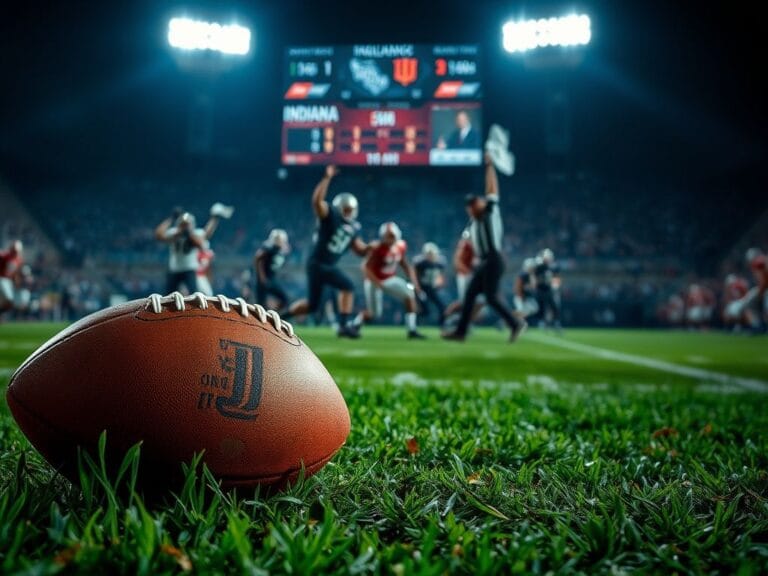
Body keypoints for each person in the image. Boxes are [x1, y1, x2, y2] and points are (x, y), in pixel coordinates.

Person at [442, 154, 526, 342]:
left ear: (480, 202)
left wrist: (490, 166)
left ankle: (514, 323)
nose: (473, 207)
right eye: (470, 206)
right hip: (485, 261)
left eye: (475, 203)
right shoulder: (473, 222)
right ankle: (462, 332)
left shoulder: (490, 212)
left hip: (493, 259)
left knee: (489, 297)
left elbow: (492, 189)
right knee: (471, 295)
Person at [286, 165, 368, 338]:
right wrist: (326, 178)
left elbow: (360, 250)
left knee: (312, 306)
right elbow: (317, 202)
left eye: (350, 210)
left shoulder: (354, 228)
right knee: (348, 286)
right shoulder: (331, 215)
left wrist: (375, 247)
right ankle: (344, 326)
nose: (349, 212)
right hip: (318, 263)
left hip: (321, 265)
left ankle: (280, 317)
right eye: (347, 209)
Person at [356, 222, 425, 339]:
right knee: (374, 313)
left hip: (389, 278)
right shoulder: (377, 248)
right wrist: (377, 283)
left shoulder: (401, 245)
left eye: (392, 236)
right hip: (374, 280)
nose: (390, 239)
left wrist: (414, 282)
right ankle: (355, 324)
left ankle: (412, 329)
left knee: (409, 293)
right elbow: (365, 267)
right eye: (388, 236)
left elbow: (405, 264)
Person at [155, 212, 206, 294]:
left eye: (187, 224)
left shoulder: (196, 233)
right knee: (168, 296)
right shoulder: (174, 232)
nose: (185, 227)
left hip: (189, 268)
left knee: (194, 294)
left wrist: (189, 234)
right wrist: (171, 219)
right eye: (183, 224)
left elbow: (201, 245)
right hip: (175, 269)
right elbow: (159, 235)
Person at [254, 228, 291, 311]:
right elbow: (258, 258)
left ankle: (274, 313)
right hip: (264, 279)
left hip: (271, 278)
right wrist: (262, 277)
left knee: (284, 299)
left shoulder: (280, 249)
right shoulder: (269, 247)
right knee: (260, 305)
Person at [414, 242, 447, 326]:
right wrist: (417, 288)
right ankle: (414, 322)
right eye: (429, 254)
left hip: (432, 288)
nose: (430, 256)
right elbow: (415, 276)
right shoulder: (421, 263)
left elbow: (441, 277)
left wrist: (440, 283)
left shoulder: (439, 263)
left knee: (442, 307)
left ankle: (442, 325)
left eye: (432, 254)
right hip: (421, 288)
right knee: (425, 310)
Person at [534, 248, 562, 331]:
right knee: (541, 306)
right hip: (541, 289)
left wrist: (555, 286)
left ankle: (556, 322)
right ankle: (542, 322)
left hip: (550, 290)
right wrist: (542, 281)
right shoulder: (539, 267)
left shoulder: (554, 267)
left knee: (554, 306)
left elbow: (557, 278)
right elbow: (535, 278)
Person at [0, 240, 24, 318]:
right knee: (9, 299)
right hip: (2, 278)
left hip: (8, 281)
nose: (14, 252)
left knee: (9, 302)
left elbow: (15, 273)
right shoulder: (5, 256)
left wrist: (16, 281)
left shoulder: (19, 260)